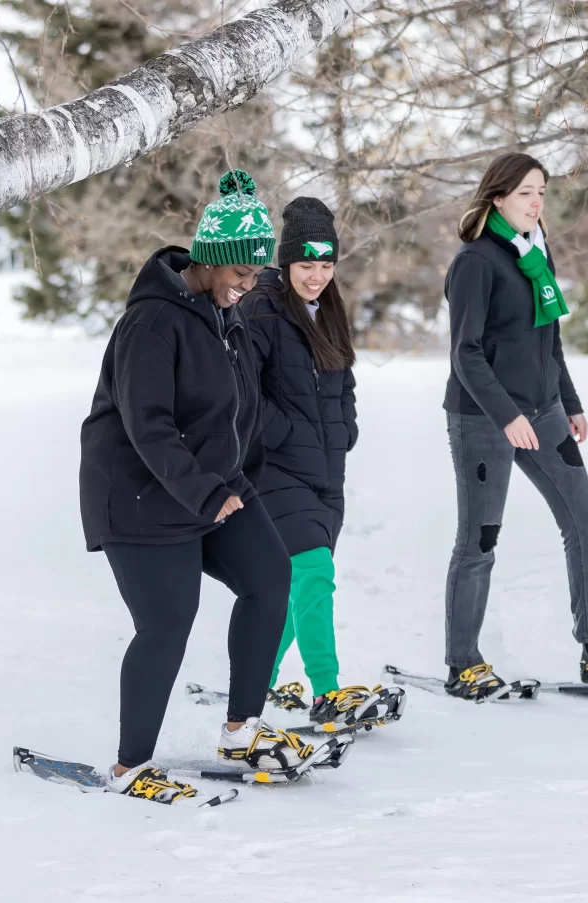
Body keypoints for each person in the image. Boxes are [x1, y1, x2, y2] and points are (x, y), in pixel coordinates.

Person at [78, 170, 320, 802]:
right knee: (167, 624)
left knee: (271, 577)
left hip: (211, 488)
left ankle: (242, 727)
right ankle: (131, 766)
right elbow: (147, 426)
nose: (248, 285)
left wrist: (241, 478)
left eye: (255, 274)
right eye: (241, 273)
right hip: (138, 496)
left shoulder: (223, 314)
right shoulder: (152, 324)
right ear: (210, 261)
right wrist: (210, 492)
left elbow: (236, 407)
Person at [442, 152, 588, 700]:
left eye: (542, 192)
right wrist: (506, 416)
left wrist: (570, 402)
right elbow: (466, 354)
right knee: (479, 540)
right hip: (484, 418)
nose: (537, 202)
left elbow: (548, 340)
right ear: (498, 198)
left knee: (585, 522)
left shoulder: (538, 256)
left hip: (545, 410)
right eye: (527, 192)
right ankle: (463, 664)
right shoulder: (475, 263)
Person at [240, 198, 401, 730]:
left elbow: (343, 380)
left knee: (296, 585)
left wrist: (344, 429)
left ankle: (256, 679)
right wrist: (287, 436)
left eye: (326, 265)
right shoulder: (259, 310)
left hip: (327, 472)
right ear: (286, 263)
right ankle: (327, 691)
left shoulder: (330, 308)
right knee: (314, 572)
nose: (317, 276)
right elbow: (242, 394)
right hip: (276, 469)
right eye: (306, 265)